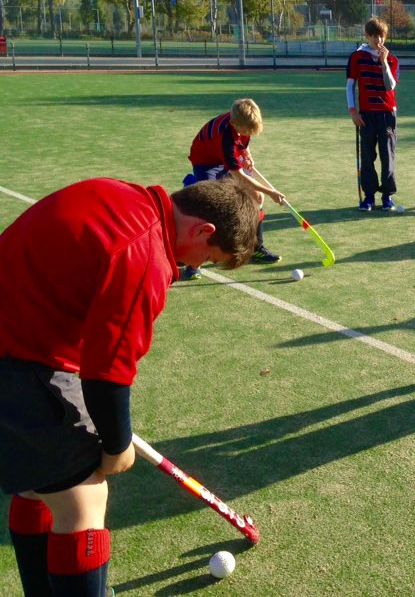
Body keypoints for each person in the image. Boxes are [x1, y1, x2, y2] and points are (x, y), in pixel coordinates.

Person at [0, 176, 260, 597]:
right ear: (203, 230)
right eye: (209, 258)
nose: (195, 266)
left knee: (39, 483)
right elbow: (107, 373)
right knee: (84, 500)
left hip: (21, 336)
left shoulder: (121, 193)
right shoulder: (146, 253)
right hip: (20, 356)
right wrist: (117, 446)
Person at [185, 97, 286, 278]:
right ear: (233, 123)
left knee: (257, 198)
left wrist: (247, 155)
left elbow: (243, 141)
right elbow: (239, 176)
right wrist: (271, 192)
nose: (249, 133)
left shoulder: (243, 123)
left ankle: (255, 247)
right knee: (210, 209)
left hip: (226, 158)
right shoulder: (225, 137)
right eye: (246, 130)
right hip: (206, 163)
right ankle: (193, 263)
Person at [347, 17, 400, 211]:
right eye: (375, 36)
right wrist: (353, 111)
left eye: (382, 36)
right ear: (367, 35)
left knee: (388, 156)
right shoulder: (356, 57)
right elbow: (350, 85)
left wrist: (384, 62)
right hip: (366, 114)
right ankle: (369, 196)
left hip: (387, 114)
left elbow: (390, 86)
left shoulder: (392, 60)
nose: (379, 40)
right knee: (367, 156)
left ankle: (387, 196)